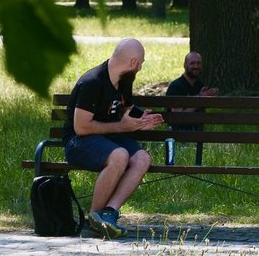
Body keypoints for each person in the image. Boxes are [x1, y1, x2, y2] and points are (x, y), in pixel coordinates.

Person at [63, 38, 164, 239]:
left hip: (108, 138)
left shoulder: (123, 81)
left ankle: (109, 213)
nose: (140, 69)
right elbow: (81, 127)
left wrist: (140, 119)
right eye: (141, 64)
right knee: (119, 155)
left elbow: (124, 109)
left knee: (142, 158)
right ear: (134, 63)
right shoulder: (93, 82)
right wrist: (122, 126)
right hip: (78, 142)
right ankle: (93, 220)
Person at [165, 52, 219, 163]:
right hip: (179, 134)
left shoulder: (199, 84)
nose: (196, 66)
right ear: (185, 65)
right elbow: (177, 117)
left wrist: (208, 97)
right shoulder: (176, 86)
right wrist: (199, 99)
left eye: (198, 63)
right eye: (192, 63)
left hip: (198, 132)